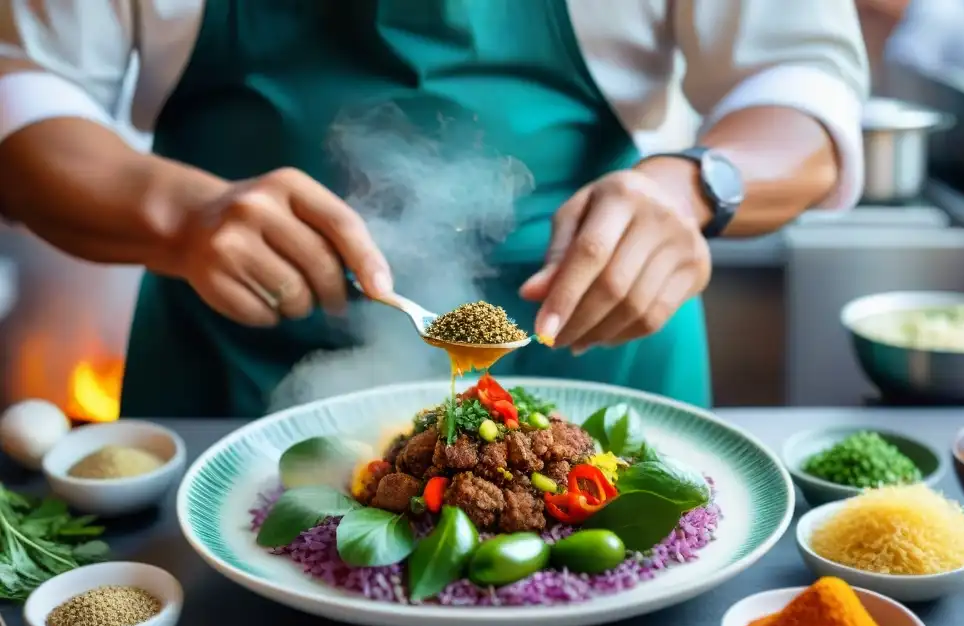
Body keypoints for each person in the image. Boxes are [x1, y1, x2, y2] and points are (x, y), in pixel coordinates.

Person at [0, 1, 869, 419]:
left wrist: (694, 186)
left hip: (597, 371)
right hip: (233, 378)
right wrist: (181, 213)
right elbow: (24, 92)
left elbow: (802, 86)